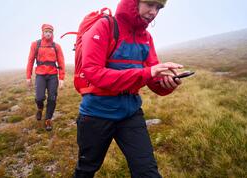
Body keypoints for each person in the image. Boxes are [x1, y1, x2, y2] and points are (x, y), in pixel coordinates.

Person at [73, 0, 183, 177]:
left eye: (159, 8)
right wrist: (147, 73)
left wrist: (168, 84)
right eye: (150, 4)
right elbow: (93, 72)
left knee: (147, 172)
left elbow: (153, 78)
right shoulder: (105, 26)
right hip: (96, 113)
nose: (154, 12)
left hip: (130, 113)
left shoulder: (146, 38)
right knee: (86, 168)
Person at [26, 24, 65, 131]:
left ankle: (48, 119)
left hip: (52, 75)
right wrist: (28, 76)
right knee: (39, 97)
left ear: (52, 33)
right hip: (40, 75)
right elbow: (30, 61)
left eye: (50, 32)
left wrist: (61, 78)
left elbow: (61, 62)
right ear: (42, 32)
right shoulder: (36, 44)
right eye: (46, 31)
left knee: (52, 98)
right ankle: (40, 108)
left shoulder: (56, 46)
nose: (48, 33)